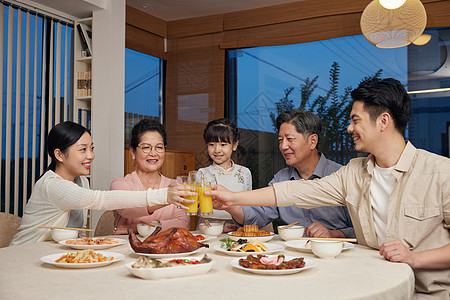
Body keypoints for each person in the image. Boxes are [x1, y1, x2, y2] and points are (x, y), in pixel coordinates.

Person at [207, 78, 450, 298]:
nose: (349, 128)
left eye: (356, 120)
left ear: (383, 121)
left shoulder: (440, 172)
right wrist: (232, 197)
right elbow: (293, 191)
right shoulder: (354, 172)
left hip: (426, 293)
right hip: (369, 286)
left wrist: (415, 258)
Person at [10, 121, 194, 246]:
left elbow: (79, 231)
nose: (91, 156)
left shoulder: (81, 181)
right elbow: (99, 200)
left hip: (55, 254)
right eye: (83, 150)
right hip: (26, 254)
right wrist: (164, 196)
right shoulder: (52, 184)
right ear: (59, 155)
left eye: (91, 148)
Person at [223, 110, 354, 238]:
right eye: (280, 140)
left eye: (290, 139)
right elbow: (257, 217)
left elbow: (365, 231)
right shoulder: (281, 178)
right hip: (290, 255)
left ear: (313, 141)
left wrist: (334, 234)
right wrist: (230, 205)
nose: (283, 146)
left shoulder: (341, 176)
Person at [111, 119, 189, 234]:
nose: (153, 153)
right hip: (127, 248)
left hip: (167, 250)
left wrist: (136, 227)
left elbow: (183, 224)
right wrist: (166, 198)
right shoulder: (120, 184)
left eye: (159, 147)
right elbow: (128, 209)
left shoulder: (175, 186)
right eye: (146, 147)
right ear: (133, 152)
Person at [197, 118, 252, 228]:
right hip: (207, 229)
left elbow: (248, 206)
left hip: (236, 230)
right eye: (212, 144)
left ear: (234, 145)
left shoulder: (244, 172)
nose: (217, 150)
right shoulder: (201, 173)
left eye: (223, 144)